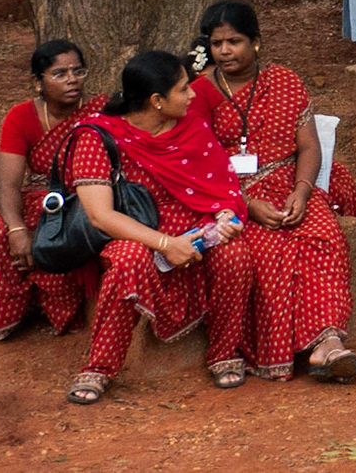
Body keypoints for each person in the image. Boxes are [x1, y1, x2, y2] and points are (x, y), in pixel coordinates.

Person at [188, 2, 356, 382]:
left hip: (288, 183)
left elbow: (309, 147)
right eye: (217, 43)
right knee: (269, 251)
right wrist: (248, 205)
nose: (225, 51)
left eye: (234, 41)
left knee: (324, 237)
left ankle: (328, 343)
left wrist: (302, 191)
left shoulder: (284, 81)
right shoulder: (199, 93)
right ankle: (283, 351)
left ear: (256, 42)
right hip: (230, 196)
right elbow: (200, 164)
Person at [64, 50, 249, 404]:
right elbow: (101, 216)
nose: (193, 95)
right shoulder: (97, 136)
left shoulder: (192, 126)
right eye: (183, 89)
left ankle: (224, 352)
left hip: (195, 224)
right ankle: (99, 367)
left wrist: (225, 218)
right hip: (134, 229)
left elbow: (223, 188)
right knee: (130, 259)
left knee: (235, 253)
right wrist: (166, 244)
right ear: (157, 101)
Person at [0, 40, 105, 342]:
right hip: (38, 199)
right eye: (59, 73)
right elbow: (8, 184)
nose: (72, 79)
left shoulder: (102, 112)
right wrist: (17, 229)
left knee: (62, 235)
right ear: (37, 82)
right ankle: (13, 310)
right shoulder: (21, 117)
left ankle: (59, 310)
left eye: (77, 71)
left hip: (85, 201)